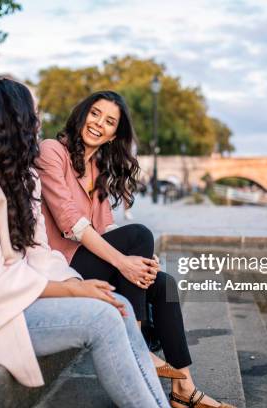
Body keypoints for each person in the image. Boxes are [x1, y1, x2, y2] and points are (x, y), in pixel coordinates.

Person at [0, 79, 169, 408]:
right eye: (33, 115)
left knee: (119, 305)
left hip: (20, 294)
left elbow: (43, 255)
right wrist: (73, 291)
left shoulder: (25, 177)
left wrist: (83, 285)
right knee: (103, 319)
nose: (39, 123)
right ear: (10, 124)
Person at [37, 91, 235, 408]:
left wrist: (141, 261)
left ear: (116, 133)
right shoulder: (52, 151)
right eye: (95, 114)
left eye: (109, 121)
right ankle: (138, 345)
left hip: (88, 259)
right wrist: (125, 261)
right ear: (82, 113)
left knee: (165, 284)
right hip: (62, 265)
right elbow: (69, 222)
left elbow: (108, 226)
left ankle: (185, 390)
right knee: (139, 235)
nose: (99, 124)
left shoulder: (97, 167)